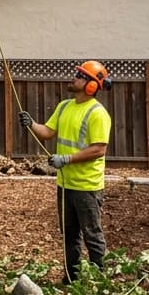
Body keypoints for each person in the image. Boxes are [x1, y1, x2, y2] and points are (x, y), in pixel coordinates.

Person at [19, 60, 113, 283]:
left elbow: (99, 149)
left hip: (87, 185)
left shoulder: (97, 113)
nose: (74, 78)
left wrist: (66, 159)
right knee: (69, 235)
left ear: (91, 85)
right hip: (65, 183)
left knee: (92, 235)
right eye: (77, 74)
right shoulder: (64, 106)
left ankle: (99, 282)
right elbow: (48, 132)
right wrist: (31, 123)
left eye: (80, 76)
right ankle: (71, 279)